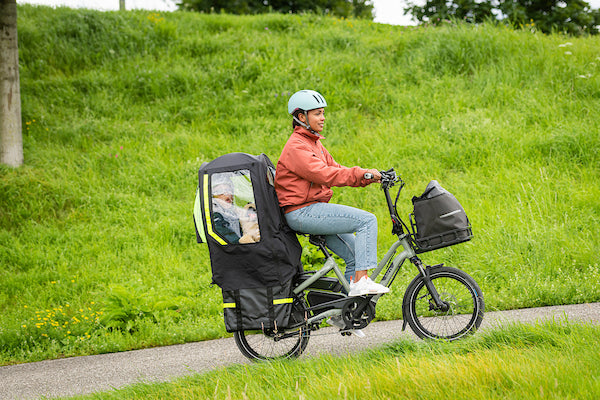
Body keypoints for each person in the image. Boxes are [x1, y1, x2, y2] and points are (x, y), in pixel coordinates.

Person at [274, 90, 389, 335]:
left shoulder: (313, 143)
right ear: (301, 117)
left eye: (323, 113)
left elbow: (336, 168)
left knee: (355, 255)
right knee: (367, 220)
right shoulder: (296, 147)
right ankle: (360, 282)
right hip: (303, 212)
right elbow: (325, 175)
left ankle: (345, 314)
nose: (323, 118)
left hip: (313, 209)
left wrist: (367, 176)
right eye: (317, 113)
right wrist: (362, 174)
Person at [211, 174, 260, 244]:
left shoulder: (234, 212)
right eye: (220, 191)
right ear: (213, 196)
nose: (226, 193)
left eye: (229, 190)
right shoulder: (216, 217)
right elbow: (232, 240)